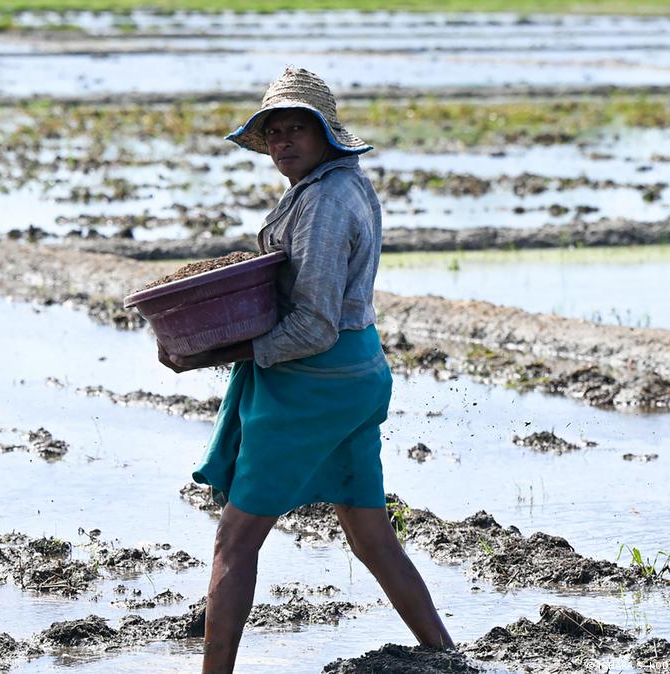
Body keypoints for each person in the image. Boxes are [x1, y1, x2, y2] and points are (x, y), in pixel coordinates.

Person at [157, 67, 455, 674]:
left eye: (298, 129)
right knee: (370, 534)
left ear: (327, 135)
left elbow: (313, 324)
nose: (284, 142)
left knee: (235, 540)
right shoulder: (341, 184)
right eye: (274, 133)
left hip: (313, 384)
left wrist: (210, 354)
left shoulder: (322, 203)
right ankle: (445, 656)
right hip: (359, 372)